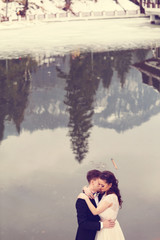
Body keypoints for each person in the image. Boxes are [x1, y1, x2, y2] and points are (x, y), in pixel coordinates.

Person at [78, 170, 125, 240]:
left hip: (108, 231)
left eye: (102, 184)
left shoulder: (104, 195)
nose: (100, 187)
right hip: (87, 236)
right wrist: (85, 189)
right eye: (99, 184)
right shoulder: (81, 199)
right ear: (92, 182)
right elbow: (82, 223)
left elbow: (96, 211)